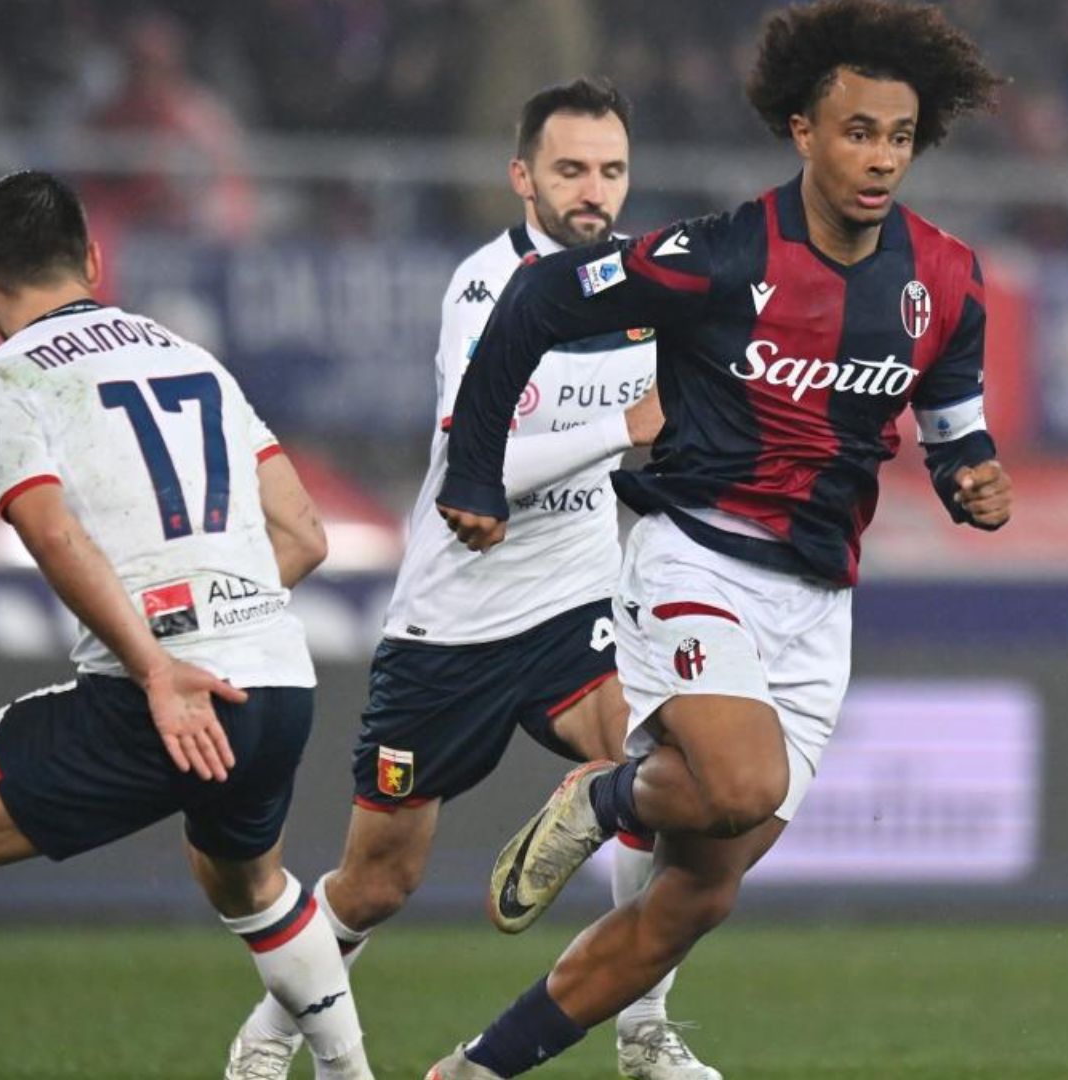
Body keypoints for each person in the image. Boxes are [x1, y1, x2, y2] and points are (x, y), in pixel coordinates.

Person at [427, 2, 1012, 1076]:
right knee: (737, 789)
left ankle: (472, 1068)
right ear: (803, 130)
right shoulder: (722, 255)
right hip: (695, 557)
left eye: (898, 136)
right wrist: (473, 471)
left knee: (698, 894)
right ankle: (608, 795)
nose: (881, 158)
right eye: (857, 132)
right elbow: (542, 298)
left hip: (818, 603)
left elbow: (951, 411)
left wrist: (968, 471)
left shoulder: (947, 279)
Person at [227, 76, 721, 1080]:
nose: (594, 190)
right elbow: (474, 471)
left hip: (579, 602)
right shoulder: (487, 291)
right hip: (452, 624)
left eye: (612, 170)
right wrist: (623, 429)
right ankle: (272, 1031)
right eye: (570, 169)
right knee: (378, 881)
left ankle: (642, 1032)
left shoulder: (645, 289)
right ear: (522, 178)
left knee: (668, 776)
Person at [0, 171, 372, 1080]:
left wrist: (160, 663)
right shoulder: (189, 356)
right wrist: (221, 617)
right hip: (278, 683)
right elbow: (305, 534)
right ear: (89, 259)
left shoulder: (4, 379)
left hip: (167, 692)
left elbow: (48, 530)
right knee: (249, 885)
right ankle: (351, 1071)